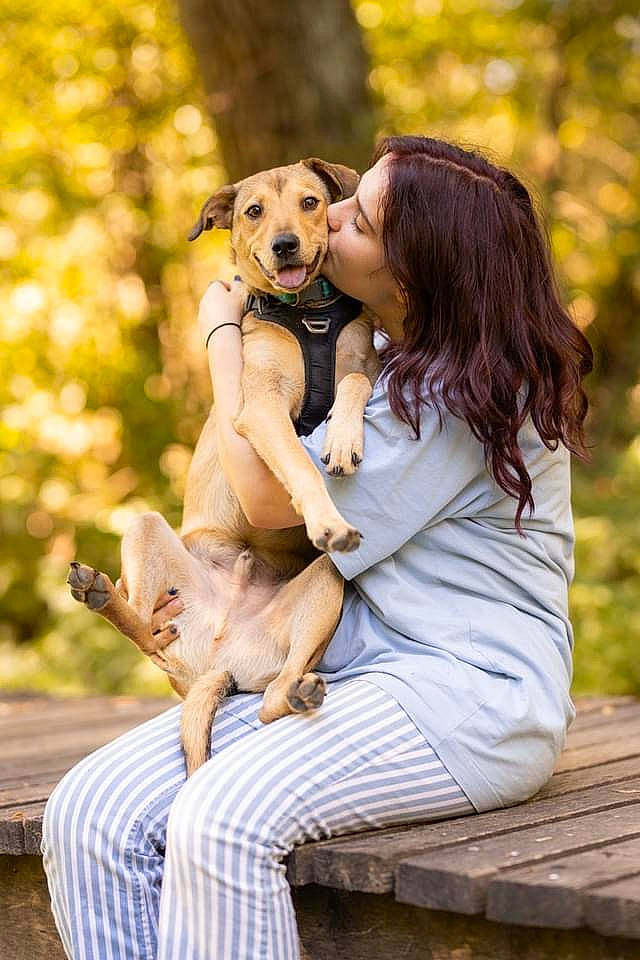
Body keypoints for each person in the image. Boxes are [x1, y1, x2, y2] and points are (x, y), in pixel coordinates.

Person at [41, 135, 593, 960]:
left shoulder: (468, 396)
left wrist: (223, 337)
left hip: (468, 699)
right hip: (350, 671)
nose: (329, 216)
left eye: (359, 216)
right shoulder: (379, 355)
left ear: (415, 270)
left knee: (220, 823)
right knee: (86, 811)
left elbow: (265, 496)